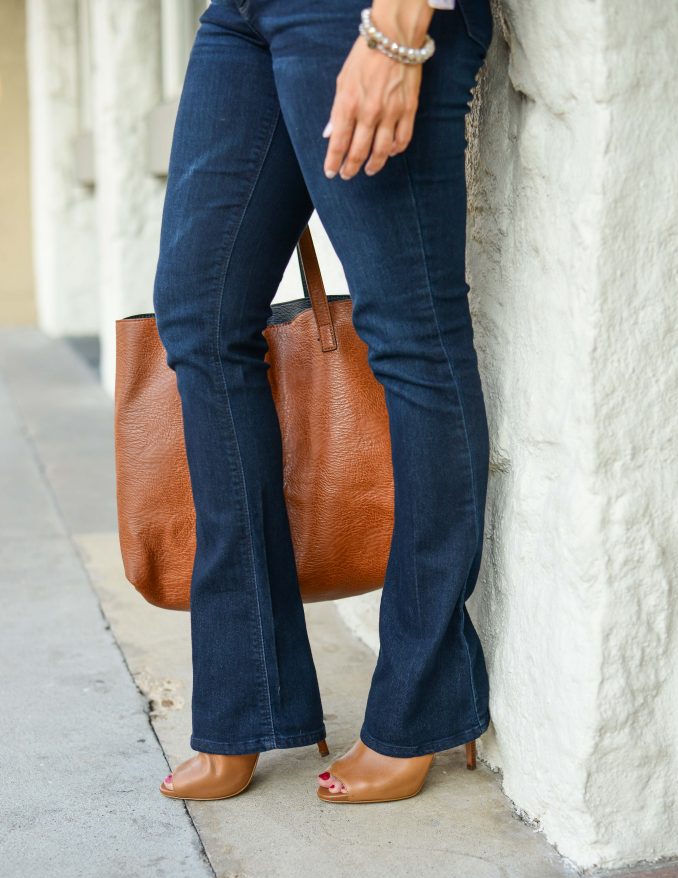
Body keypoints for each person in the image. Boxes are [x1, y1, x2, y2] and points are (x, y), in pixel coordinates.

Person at [153, 0, 493, 804]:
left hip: (362, 12)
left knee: (409, 329)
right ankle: (249, 703)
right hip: (240, 15)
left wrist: (398, 26)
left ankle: (423, 704)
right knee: (199, 319)